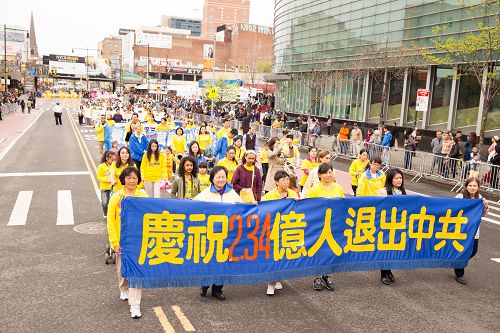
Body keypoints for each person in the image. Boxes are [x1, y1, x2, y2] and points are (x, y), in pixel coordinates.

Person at [194, 166, 242, 300]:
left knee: (223, 262)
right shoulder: (205, 193)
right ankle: (204, 284)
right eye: (218, 176)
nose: (221, 179)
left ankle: (217, 289)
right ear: (212, 178)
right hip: (209, 234)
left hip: (227, 235)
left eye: (223, 176)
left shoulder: (232, 193)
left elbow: (243, 209)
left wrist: (253, 205)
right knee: (208, 259)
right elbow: (192, 207)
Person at [107, 166, 148, 318]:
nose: (132, 180)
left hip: (138, 240)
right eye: (129, 177)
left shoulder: (142, 194)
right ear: (123, 179)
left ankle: (135, 305)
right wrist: (114, 241)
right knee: (122, 270)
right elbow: (110, 220)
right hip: (122, 240)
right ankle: (123, 288)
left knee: (136, 272)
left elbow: (150, 213)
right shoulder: (116, 197)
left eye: (134, 177)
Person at [306, 162, 345, 291]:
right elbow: (308, 206)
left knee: (329, 250)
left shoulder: (337, 187)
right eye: (325, 173)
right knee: (318, 250)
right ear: (319, 175)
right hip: (319, 224)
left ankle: (327, 275)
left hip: (333, 224)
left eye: (330, 172)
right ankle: (317, 276)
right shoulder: (314, 189)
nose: (328, 175)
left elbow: (343, 203)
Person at [262, 170, 299, 295]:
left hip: (287, 230)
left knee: (283, 256)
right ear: (277, 182)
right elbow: (263, 210)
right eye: (283, 180)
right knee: (273, 256)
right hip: (273, 230)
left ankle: (277, 278)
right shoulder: (269, 196)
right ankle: (270, 283)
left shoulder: (292, 193)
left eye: (288, 180)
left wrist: (297, 201)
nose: (286, 182)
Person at [453, 177, 489, 284]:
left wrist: (485, 206)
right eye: (470, 185)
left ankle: (457, 262)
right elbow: (452, 209)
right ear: (466, 186)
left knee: (473, 251)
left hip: (474, 230)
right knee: (462, 250)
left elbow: (483, 214)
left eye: (475, 186)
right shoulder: (460, 197)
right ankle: (459, 273)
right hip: (461, 229)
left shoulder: (480, 198)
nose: (472, 188)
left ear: (478, 187)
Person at [377, 168, 407, 285]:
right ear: (390, 179)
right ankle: (383, 273)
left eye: (400, 178)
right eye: (396, 178)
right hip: (385, 225)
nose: (399, 180)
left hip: (398, 225)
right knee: (385, 249)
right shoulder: (383, 192)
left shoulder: (403, 192)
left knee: (394, 249)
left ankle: (389, 270)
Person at [96, 151, 115, 219]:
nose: (113, 162)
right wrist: (108, 180)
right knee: (104, 203)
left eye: (114, 160)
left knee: (111, 202)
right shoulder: (101, 166)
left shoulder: (115, 166)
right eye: (111, 160)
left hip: (112, 188)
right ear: (107, 158)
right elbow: (99, 176)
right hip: (104, 188)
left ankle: (110, 214)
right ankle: (105, 212)